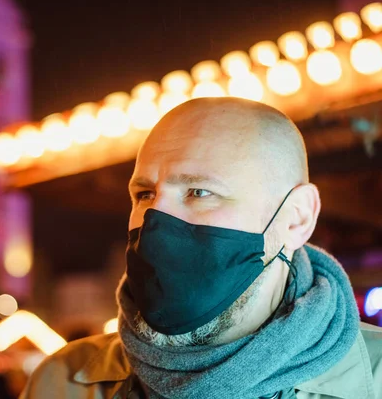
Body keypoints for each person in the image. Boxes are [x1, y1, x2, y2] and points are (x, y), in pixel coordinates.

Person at [20, 98, 382, 398]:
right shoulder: (61, 380)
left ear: (296, 219)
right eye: (144, 194)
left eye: (199, 192)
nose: (155, 220)